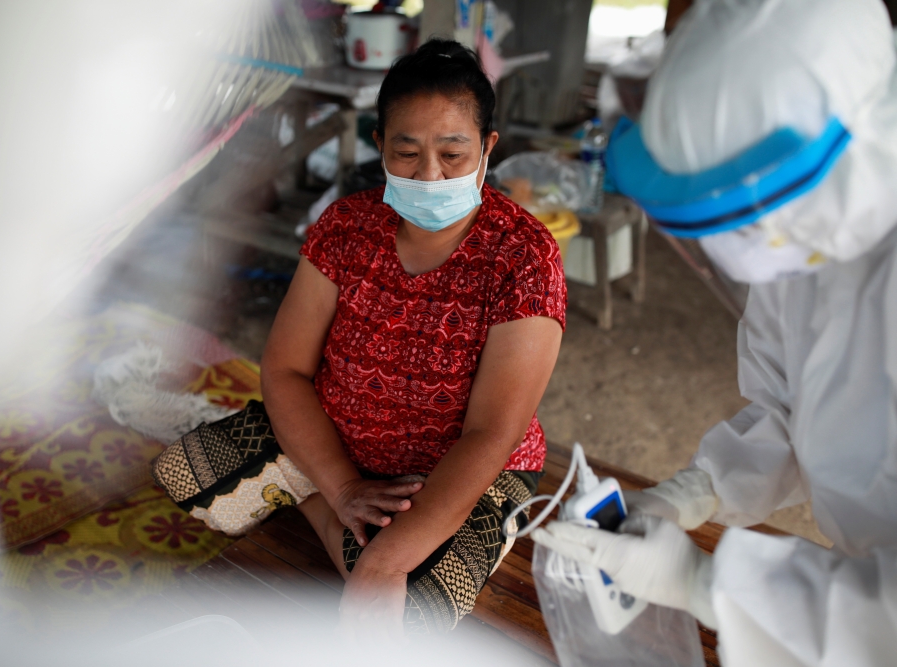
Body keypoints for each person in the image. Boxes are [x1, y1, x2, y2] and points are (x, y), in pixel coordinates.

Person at [151, 39, 565, 638]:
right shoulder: (346, 227)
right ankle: (328, 507)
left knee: (413, 615)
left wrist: (390, 558)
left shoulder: (524, 258)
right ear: (379, 147)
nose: (429, 174)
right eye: (406, 151)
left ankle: (335, 509)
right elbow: (286, 369)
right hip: (335, 442)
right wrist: (343, 489)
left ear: (486, 149)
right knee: (185, 476)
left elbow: (490, 433)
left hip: (455, 472)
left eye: (452, 153)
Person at [533, 0, 897, 665]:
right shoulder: (811, 242)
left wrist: (704, 584)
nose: (748, 251)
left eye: (752, 218)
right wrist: (695, 490)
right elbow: (794, 413)